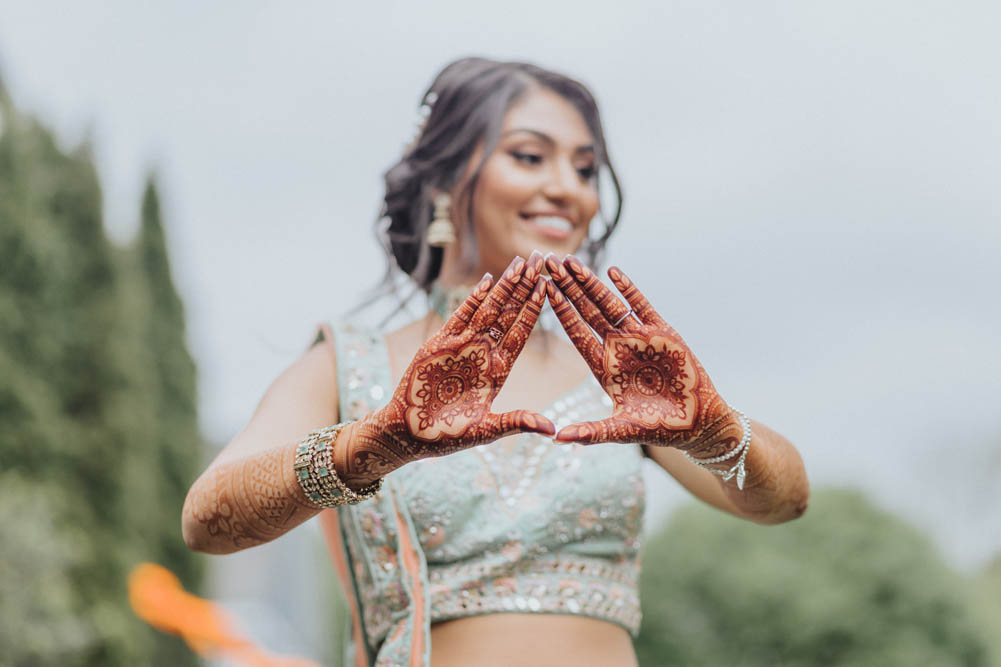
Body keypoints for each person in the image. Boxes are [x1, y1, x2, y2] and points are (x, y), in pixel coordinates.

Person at [182, 57, 809, 667]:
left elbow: (784, 501)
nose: (567, 188)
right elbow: (208, 522)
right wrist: (373, 447)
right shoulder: (349, 366)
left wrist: (715, 431)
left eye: (586, 168)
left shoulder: (624, 380)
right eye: (530, 156)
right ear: (443, 182)